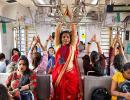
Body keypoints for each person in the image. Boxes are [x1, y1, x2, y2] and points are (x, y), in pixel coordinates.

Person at [52, 7, 82, 100]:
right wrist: (63, 17)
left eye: (68, 37)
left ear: (70, 38)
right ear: (61, 39)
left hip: (71, 76)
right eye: (64, 37)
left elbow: (74, 32)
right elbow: (57, 31)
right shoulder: (57, 46)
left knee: (71, 96)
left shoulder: (72, 47)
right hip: (59, 77)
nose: (66, 38)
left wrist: (71, 17)